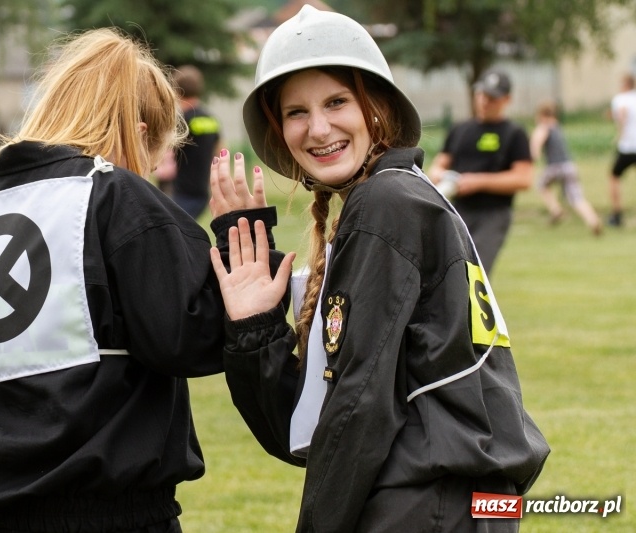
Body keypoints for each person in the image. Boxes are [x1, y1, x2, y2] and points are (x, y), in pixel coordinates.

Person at [209, 6, 549, 532]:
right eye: (296, 112)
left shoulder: (387, 203)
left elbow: (358, 407)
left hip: (429, 502)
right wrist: (257, 327)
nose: (318, 128)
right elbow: (306, 427)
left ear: (377, 108)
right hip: (449, 500)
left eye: (337, 101)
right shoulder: (397, 197)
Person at [0, 27, 279, 533]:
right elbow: (190, 337)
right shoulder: (116, 198)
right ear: (136, 128)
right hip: (110, 512)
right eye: (156, 144)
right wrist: (237, 241)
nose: (154, 163)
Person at [428, 68, 533, 274]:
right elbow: (438, 166)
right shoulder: (460, 129)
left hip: (493, 214)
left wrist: (478, 182)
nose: (485, 102)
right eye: (481, 95)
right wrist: (444, 177)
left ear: (506, 99)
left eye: (492, 98)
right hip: (457, 210)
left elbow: (524, 178)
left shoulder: (514, 133)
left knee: (476, 272)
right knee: (447, 271)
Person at [530, 100, 602, 235]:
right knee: (577, 198)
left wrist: (533, 156)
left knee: (541, 185)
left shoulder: (543, 127)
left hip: (554, 167)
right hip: (569, 166)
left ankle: (555, 209)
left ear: (541, 115)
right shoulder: (557, 126)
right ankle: (593, 220)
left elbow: (536, 144)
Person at [170, 65, 222, 219]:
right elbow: (220, 150)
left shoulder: (182, 121)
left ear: (176, 91)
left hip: (181, 193)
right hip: (203, 192)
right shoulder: (210, 119)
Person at [606, 73, 636, 227]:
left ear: (625, 84)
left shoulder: (620, 99)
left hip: (628, 146)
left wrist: (619, 134)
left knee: (614, 176)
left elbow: (623, 113)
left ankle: (617, 214)